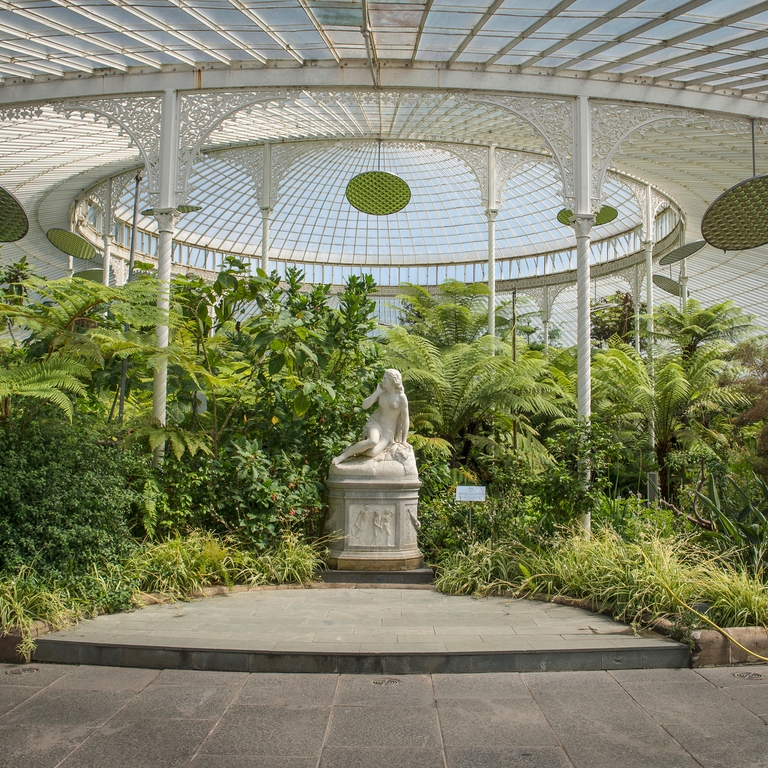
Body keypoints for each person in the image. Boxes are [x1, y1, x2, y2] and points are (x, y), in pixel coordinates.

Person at [332, 369, 409, 465]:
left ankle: (353, 449)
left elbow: (405, 418)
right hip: (375, 423)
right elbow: (364, 406)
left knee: (373, 452)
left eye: (385, 378)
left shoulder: (401, 397)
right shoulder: (381, 392)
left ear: (392, 381)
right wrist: (377, 392)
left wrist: (404, 440)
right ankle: (343, 456)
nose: (382, 380)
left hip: (388, 431)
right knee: (373, 441)